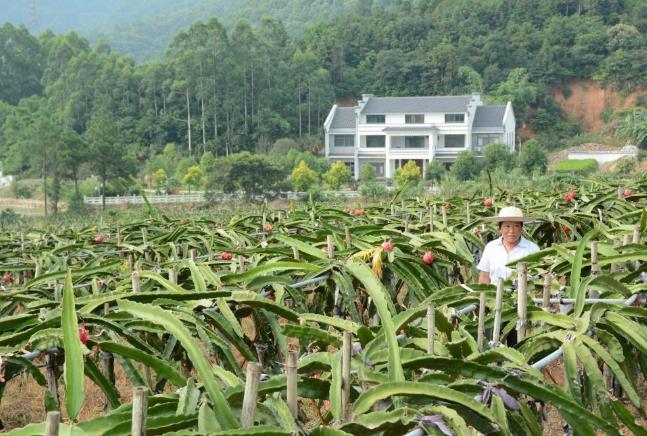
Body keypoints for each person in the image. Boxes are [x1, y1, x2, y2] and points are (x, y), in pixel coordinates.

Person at [477, 206, 539, 284]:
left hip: (523, 295)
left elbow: (537, 278)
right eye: (507, 226)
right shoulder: (491, 247)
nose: (511, 231)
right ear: (500, 229)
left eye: (516, 226)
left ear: (521, 229)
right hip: (494, 294)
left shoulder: (532, 249)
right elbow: (484, 276)